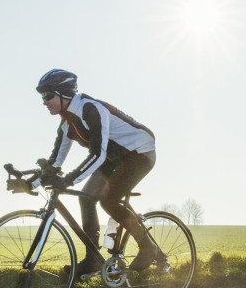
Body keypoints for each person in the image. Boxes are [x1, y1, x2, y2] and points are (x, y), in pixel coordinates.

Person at [32, 68, 163, 274]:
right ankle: (93, 259)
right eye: (42, 97)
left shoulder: (90, 109)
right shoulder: (67, 123)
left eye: (48, 96)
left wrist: (67, 180)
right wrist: (29, 183)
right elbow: (54, 162)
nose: (44, 102)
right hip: (114, 158)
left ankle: (148, 247)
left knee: (108, 201)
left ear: (63, 93)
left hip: (139, 153)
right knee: (86, 198)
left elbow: (97, 155)